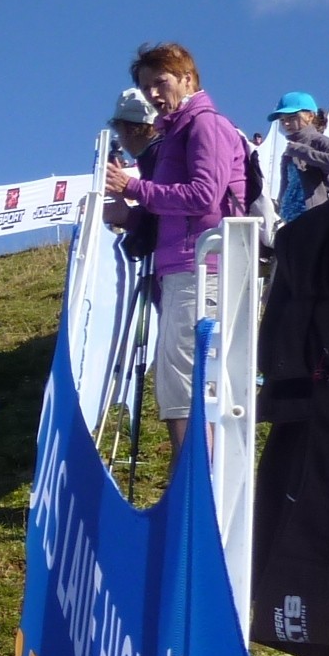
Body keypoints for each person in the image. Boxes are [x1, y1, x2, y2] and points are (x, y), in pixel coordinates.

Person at [102, 42, 247, 461]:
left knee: (185, 389)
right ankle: (198, 488)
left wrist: (132, 188)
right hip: (186, 269)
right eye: (146, 87)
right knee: (181, 386)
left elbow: (203, 196)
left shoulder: (205, 125)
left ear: (188, 79)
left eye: (160, 82)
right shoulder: (179, 132)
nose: (152, 94)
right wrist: (132, 213)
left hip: (201, 269)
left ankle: (194, 492)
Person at [102, 87, 161, 258]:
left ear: (126, 129)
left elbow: (164, 219)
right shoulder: (155, 155)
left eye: (118, 131)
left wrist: (128, 186)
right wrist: (126, 216)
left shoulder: (156, 155)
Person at [268, 92, 329, 226]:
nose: (286, 123)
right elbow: (285, 186)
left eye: (292, 118)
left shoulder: (320, 141)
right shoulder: (289, 151)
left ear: (310, 116)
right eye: (282, 120)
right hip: (288, 221)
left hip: (316, 220)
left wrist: (302, 151)